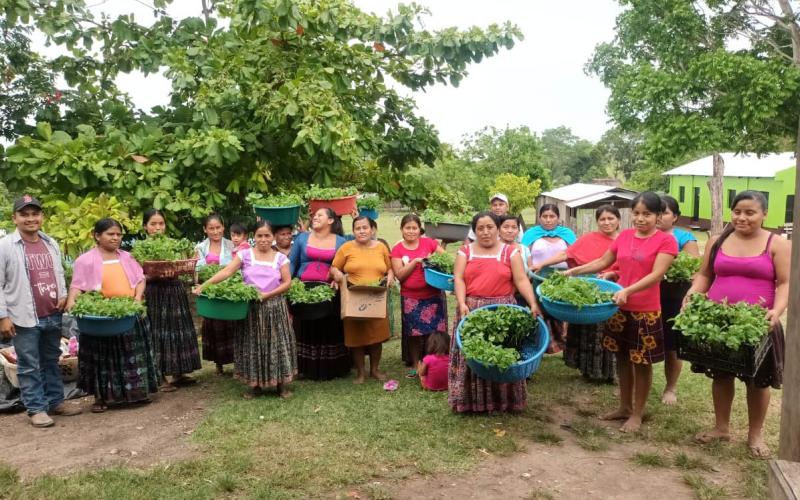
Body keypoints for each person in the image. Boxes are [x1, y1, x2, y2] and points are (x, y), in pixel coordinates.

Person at [684, 191, 789, 458]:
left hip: (758, 324)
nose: (742, 217)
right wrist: (692, 294)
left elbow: (786, 283)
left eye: (750, 213)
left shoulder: (776, 244)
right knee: (721, 374)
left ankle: (755, 435)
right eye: (737, 212)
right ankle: (721, 428)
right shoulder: (717, 241)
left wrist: (776, 311)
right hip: (720, 323)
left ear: (764, 214)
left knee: (758, 381)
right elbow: (704, 275)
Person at [565, 193, 677, 432]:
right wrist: (573, 272)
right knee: (622, 358)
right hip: (619, 306)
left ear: (658, 216)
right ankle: (624, 407)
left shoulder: (666, 241)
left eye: (647, 214)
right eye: (636, 213)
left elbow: (656, 274)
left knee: (641, 363)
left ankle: (637, 413)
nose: (640, 219)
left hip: (645, 310)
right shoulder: (625, 236)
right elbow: (603, 261)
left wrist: (628, 290)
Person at [0, 195, 81, 427]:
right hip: (23, 316)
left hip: (52, 313)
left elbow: (58, 273)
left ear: (41, 217)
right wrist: (3, 316)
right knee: (29, 364)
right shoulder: (5, 246)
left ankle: (56, 401)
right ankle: (36, 408)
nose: (30, 219)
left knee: (51, 360)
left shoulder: (50, 242)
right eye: (24, 214)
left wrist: (63, 294)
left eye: (35, 214)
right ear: (14, 218)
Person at [449, 211, 540, 413]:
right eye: (480, 228)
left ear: (497, 229)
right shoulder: (465, 252)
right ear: (474, 231)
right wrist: (462, 302)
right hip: (472, 311)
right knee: (474, 357)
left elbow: (521, 280)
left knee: (503, 355)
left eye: (490, 227)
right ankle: (471, 403)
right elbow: (459, 278)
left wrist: (533, 303)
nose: (485, 232)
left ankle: (506, 403)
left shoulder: (511, 252)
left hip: (503, 312)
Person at [195, 220, 297, 398]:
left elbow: (287, 282)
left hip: (274, 308)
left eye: (267, 236)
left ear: (273, 237)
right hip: (250, 309)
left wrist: (268, 294)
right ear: (253, 237)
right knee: (252, 345)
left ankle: (281, 385)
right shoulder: (245, 255)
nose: (263, 239)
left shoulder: (280, 258)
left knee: (276, 345)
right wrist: (204, 286)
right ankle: (254, 385)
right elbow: (226, 272)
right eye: (259, 235)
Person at [67, 218, 160, 412]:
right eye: (110, 234)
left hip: (128, 312)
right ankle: (101, 397)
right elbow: (77, 285)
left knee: (131, 355)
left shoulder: (127, 257)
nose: (115, 238)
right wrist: (71, 301)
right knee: (101, 357)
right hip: (101, 316)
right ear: (97, 236)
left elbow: (140, 279)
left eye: (118, 234)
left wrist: (137, 298)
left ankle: (136, 393)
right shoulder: (85, 260)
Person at [532, 205, 622, 383]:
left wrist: (613, 273)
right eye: (602, 219)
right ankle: (586, 368)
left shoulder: (623, 241)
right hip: (584, 290)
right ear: (597, 222)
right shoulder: (589, 238)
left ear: (618, 220)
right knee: (585, 329)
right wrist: (543, 264)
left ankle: (607, 372)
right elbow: (566, 254)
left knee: (606, 331)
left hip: (612, 292)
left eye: (610, 218)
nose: (606, 222)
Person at [141, 209, 201, 392]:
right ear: (145, 227)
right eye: (153, 224)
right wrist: (155, 274)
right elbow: (138, 275)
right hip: (155, 293)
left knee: (178, 330)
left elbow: (184, 267)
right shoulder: (141, 249)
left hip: (174, 290)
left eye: (161, 223)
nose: (157, 228)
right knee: (159, 332)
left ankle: (179, 372)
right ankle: (160, 376)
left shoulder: (174, 245)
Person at [330, 216, 394, 384]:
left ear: (372, 230)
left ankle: (375, 369)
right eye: (358, 228)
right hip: (354, 296)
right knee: (356, 337)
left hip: (376, 296)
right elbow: (334, 267)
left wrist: (390, 276)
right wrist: (337, 274)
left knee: (377, 335)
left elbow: (389, 268)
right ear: (353, 231)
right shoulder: (346, 248)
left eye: (365, 228)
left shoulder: (381, 247)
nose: (362, 231)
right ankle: (360, 372)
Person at [288, 208, 350, 380]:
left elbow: (344, 266)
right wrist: (289, 281)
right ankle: (304, 368)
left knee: (328, 329)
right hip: (303, 291)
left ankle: (331, 368)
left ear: (330, 220)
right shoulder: (302, 238)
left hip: (329, 292)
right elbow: (292, 262)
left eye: (319, 215)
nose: (315, 217)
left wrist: (338, 277)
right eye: (314, 215)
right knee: (305, 328)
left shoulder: (341, 242)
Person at [390, 214, 448, 378]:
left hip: (433, 295)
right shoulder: (397, 249)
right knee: (414, 333)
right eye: (407, 228)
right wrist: (415, 262)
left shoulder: (429, 243)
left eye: (414, 228)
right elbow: (400, 275)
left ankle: (435, 362)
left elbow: (446, 260)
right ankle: (416, 364)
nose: (411, 231)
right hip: (411, 298)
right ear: (401, 229)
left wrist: (434, 259)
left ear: (419, 229)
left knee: (435, 332)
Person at [658, 195, 701, 405]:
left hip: (673, 297)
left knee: (671, 346)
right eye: (656, 212)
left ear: (675, 216)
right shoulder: (644, 234)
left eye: (665, 213)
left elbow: (693, 269)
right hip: (647, 294)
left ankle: (671, 387)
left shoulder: (685, 238)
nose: (659, 217)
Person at [523, 204, 577, 353]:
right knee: (542, 310)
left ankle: (563, 342)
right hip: (538, 278)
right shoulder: (531, 234)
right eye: (544, 216)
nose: (548, 220)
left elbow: (575, 255)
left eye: (552, 216)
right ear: (539, 218)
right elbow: (524, 254)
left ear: (558, 218)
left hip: (563, 279)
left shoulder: (566, 234)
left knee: (561, 309)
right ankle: (545, 344)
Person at [195, 214, 236, 376]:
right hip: (209, 292)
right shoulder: (200, 248)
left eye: (218, 227)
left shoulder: (232, 245)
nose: (215, 231)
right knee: (214, 327)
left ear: (223, 227)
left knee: (232, 325)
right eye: (211, 228)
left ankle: (237, 362)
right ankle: (219, 364)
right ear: (205, 229)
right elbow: (197, 270)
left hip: (229, 290)